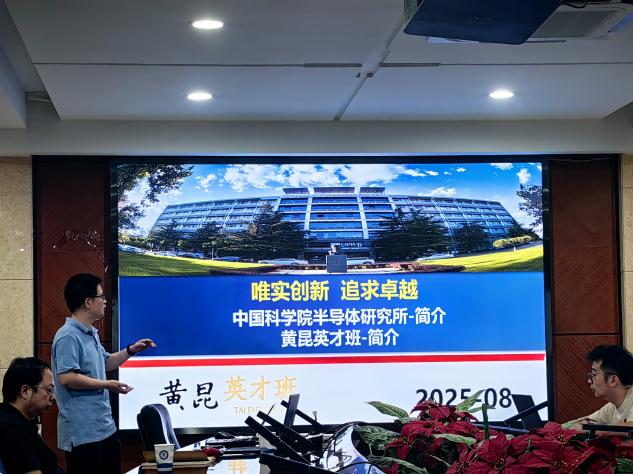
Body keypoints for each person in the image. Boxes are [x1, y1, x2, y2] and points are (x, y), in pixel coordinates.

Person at [52, 273, 156, 474]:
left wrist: (131, 350)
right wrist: (107, 384)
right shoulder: (68, 336)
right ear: (88, 302)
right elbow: (67, 378)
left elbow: (106, 362)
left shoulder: (90, 332)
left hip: (104, 428)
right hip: (83, 434)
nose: (105, 301)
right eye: (101, 297)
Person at [0, 357, 64, 474]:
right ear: (25, 391)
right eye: (49, 390)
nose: (53, 397)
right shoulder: (13, 429)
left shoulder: (22, 421)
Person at [570, 344, 633, 427]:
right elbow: (584, 422)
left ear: (613, 380)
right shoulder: (611, 408)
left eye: (593, 374)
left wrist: (594, 429)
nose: (589, 381)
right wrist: (561, 428)